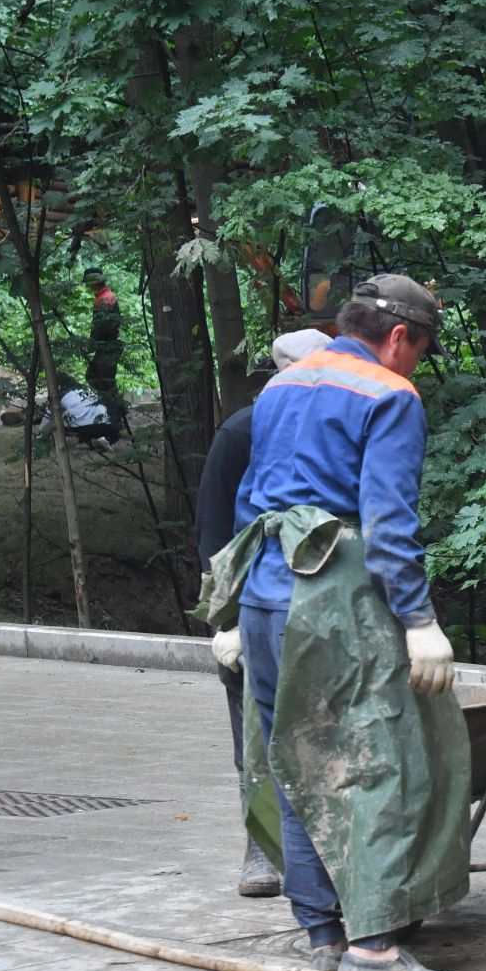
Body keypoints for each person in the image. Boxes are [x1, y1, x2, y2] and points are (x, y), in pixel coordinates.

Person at [199, 275, 470, 971]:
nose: (416, 365)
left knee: (293, 761)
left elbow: (250, 500)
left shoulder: (284, 387)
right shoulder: (389, 394)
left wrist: (228, 614)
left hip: (262, 594)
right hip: (332, 598)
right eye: (421, 350)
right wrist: (419, 622)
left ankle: (323, 934)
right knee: (371, 761)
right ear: (400, 337)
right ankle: (375, 953)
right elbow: (388, 524)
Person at [200, 328, 333, 899]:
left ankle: (324, 850)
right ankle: (259, 847)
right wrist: (221, 620)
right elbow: (213, 532)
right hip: (254, 599)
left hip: (322, 598)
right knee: (256, 727)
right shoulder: (241, 432)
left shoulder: (333, 427)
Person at [35, 376, 122, 450]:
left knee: (68, 418)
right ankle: (105, 439)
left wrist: (41, 436)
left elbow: (49, 416)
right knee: (115, 433)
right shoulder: (86, 389)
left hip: (80, 428)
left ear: (58, 386)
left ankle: (85, 441)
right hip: (103, 424)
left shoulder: (59, 396)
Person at [82, 267, 124, 423]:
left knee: (103, 381)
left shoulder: (104, 300)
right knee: (99, 379)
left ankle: (116, 418)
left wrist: (93, 342)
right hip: (107, 346)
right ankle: (115, 413)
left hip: (108, 347)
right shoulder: (105, 296)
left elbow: (102, 325)